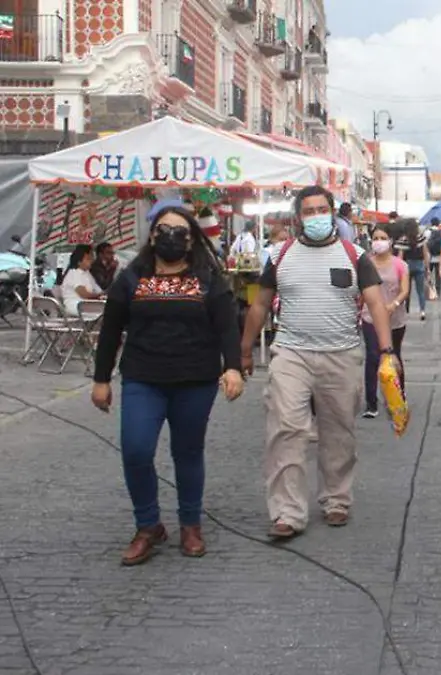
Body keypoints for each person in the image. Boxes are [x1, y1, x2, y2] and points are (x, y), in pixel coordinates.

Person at [90, 200, 244, 565]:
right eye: (164, 231)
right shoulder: (132, 277)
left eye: (180, 233)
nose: (171, 238)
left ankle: (190, 524)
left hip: (196, 379)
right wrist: (101, 379)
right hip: (143, 378)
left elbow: (226, 327)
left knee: (187, 452)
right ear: (153, 235)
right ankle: (148, 525)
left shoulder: (209, 278)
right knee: (136, 450)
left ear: (191, 240)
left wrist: (234, 368)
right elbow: (111, 330)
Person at [240, 185, 398, 540]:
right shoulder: (280, 255)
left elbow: (375, 304)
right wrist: (245, 350)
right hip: (290, 354)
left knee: (339, 431)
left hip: (341, 355)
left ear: (332, 212)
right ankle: (287, 511)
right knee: (286, 430)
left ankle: (336, 499)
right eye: (308, 211)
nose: (315, 216)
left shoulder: (354, 255)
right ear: (298, 217)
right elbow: (261, 305)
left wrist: (387, 353)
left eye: (320, 209)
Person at [362, 225, 409, 418]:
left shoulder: (400, 265)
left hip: (395, 318)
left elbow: (404, 289)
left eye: (383, 237)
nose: (379, 241)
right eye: (375, 238)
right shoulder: (365, 263)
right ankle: (371, 403)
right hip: (369, 316)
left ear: (390, 241)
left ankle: (398, 398)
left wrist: (394, 304)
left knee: (393, 355)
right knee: (373, 356)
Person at [57, 244, 104, 315]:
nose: (91, 260)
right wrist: (100, 295)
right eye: (88, 259)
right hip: (76, 306)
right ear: (79, 262)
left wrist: (103, 294)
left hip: (86, 305)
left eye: (92, 257)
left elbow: (98, 290)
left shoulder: (87, 273)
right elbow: (84, 294)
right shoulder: (74, 273)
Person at [396, 218, 428, 320]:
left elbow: (400, 257)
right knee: (421, 291)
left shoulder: (403, 240)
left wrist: (398, 270)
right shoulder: (421, 238)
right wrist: (427, 267)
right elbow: (425, 253)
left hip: (407, 266)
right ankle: (422, 312)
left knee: (406, 291)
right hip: (419, 265)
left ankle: (406, 311)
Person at [426, 217, 441, 296]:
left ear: (431, 223)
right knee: (438, 276)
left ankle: (429, 291)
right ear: (438, 223)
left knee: (428, 274)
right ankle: (438, 292)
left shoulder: (427, 232)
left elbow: (425, 245)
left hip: (429, 257)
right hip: (439, 257)